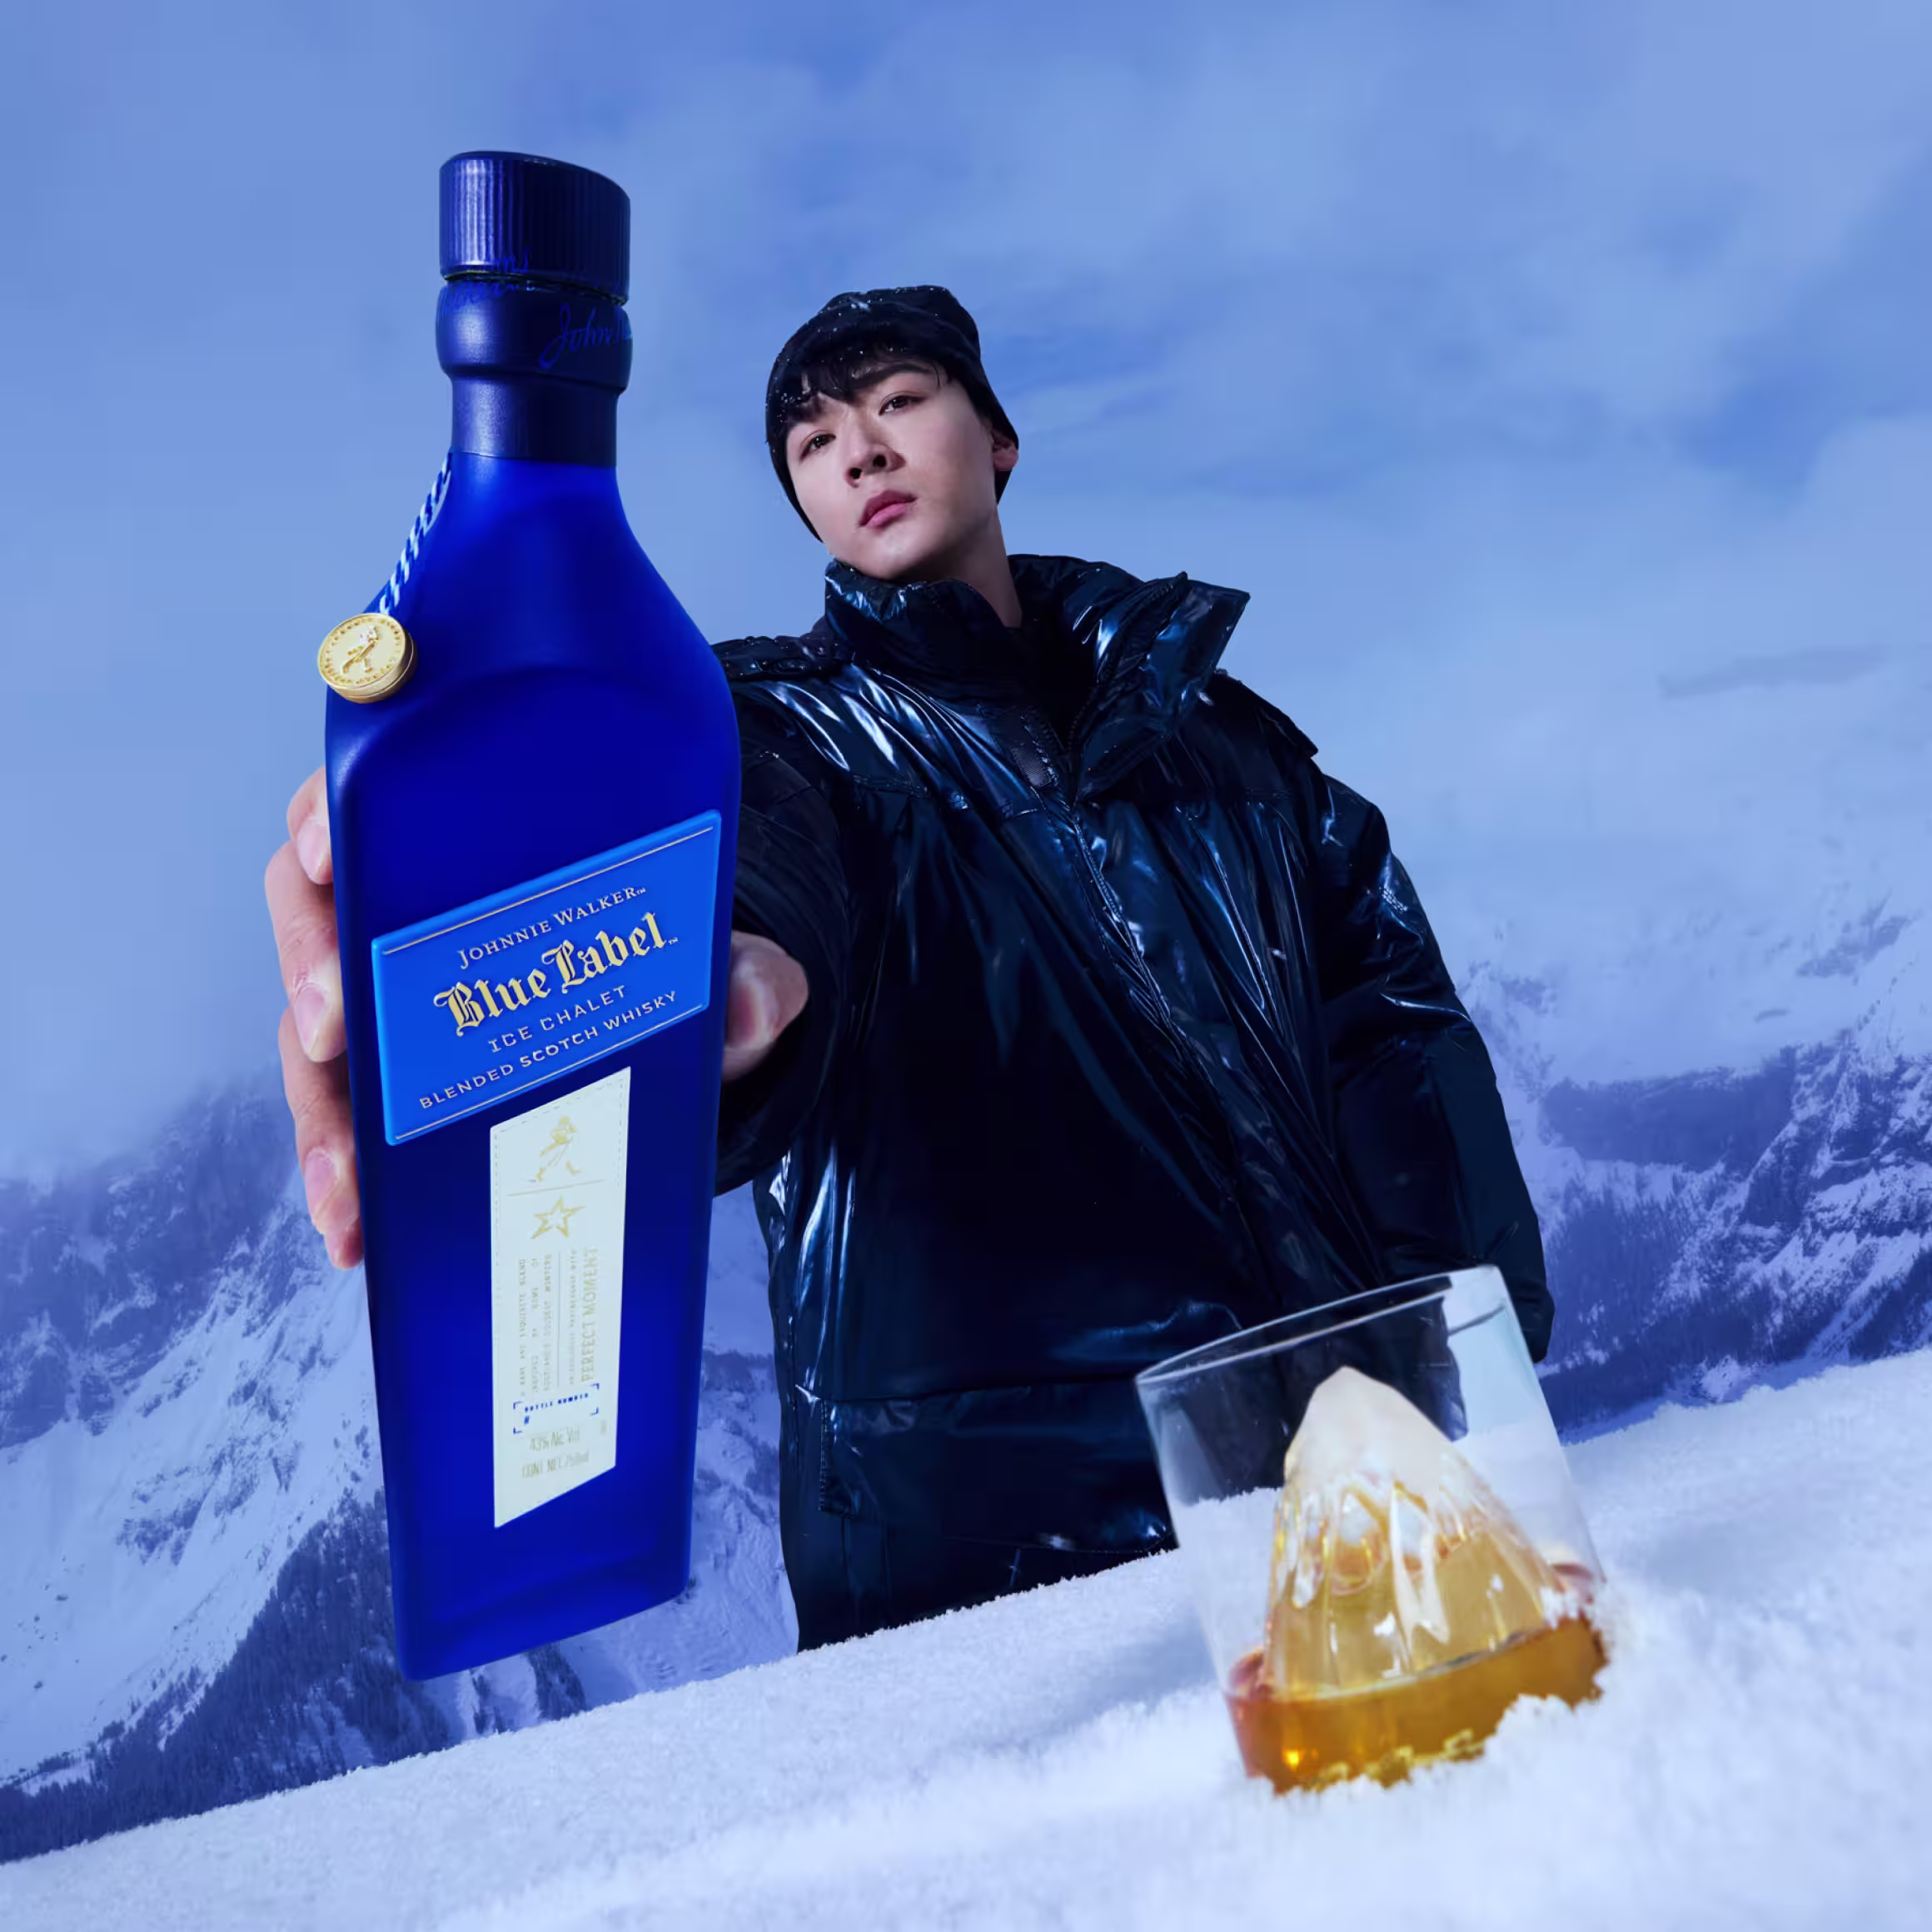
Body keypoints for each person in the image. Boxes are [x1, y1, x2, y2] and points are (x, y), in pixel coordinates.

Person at [266, 285, 1553, 1651]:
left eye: (898, 403)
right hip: (998, 1589)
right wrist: (675, 984)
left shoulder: (1226, 749)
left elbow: (1394, 1033)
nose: (861, 451)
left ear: (998, 440)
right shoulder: (778, 741)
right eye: (815, 444)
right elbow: (755, 883)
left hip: (1353, 1506)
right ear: (810, 513)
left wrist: (1458, 1368)